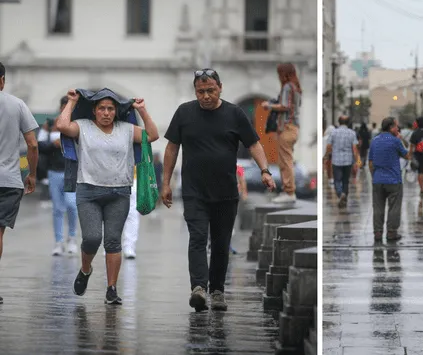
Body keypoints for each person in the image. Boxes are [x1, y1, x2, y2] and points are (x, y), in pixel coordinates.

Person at [162, 68, 275, 312]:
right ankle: (199, 288)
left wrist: (265, 171)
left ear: (220, 88)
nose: (205, 96)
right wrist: (166, 183)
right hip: (194, 191)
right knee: (198, 238)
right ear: (195, 91)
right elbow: (172, 148)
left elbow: (253, 144)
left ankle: (217, 291)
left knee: (221, 244)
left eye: (210, 90)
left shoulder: (235, 114)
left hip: (226, 193)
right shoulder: (184, 112)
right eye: (200, 91)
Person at [57, 88, 159, 305]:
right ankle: (85, 270)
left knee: (113, 241)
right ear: (94, 111)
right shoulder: (83, 126)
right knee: (92, 238)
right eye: (101, 108)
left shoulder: (126, 129)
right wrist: (72, 102)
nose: (106, 112)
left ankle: (111, 289)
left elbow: (152, 135)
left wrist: (142, 110)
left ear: (116, 112)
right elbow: (62, 126)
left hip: (119, 192)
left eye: (110, 109)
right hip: (88, 191)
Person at [0, 62, 39, 304]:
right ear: (2, 80)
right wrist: (31, 174)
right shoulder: (17, 104)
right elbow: (32, 144)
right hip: (8, 180)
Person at [39, 96, 79, 256]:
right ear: (61, 107)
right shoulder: (49, 124)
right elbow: (39, 145)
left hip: (71, 171)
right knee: (57, 208)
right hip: (54, 171)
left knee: (71, 205)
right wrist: (53, 145)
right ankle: (58, 241)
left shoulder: (76, 125)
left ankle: (72, 238)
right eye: (64, 106)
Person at [262, 63, 301, 204]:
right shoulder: (295, 87)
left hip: (287, 127)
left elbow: (285, 106)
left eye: (279, 74)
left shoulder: (287, 87)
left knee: (285, 161)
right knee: (286, 159)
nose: (278, 77)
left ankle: (289, 192)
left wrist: (269, 106)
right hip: (293, 128)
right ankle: (288, 191)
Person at [368, 117, 410, 242]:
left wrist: (374, 176)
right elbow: (407, 155)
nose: (398, 129)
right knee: (394, 207)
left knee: (378, 207)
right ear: (391, 127)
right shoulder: (395, 141)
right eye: (396, 126)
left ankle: (378, 233)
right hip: (393, 180)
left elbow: (370, 162)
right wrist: (401, 139)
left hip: (378, 180)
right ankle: (391, 233)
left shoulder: (374, 141)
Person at [324, 116, 361, 208]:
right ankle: (344, 194)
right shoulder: (352, 133)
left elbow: (329, 146)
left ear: (339, 122)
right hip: (348, 160)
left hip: (336, 160)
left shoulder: (333, 132)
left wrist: (326, 156)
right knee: (345, 180)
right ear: (348, 123)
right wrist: (357, 160)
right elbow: (355, 148)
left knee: (337, 180)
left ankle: (340, 194)